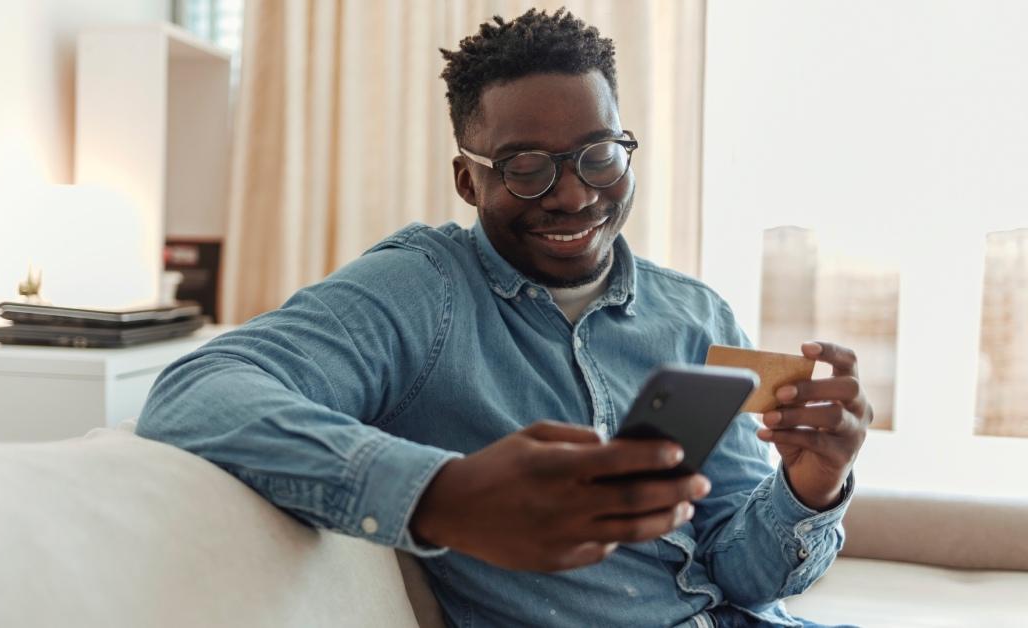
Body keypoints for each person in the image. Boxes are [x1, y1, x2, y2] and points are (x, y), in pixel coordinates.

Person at [137, 8, 873, 627]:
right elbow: (198, 390)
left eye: (599, 155)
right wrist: (439, 496)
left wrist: (811, 486)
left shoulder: (695, 312)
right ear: (468, 178)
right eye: (525, 167)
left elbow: (744, 575)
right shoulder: (422, 290)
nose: (575, 195)